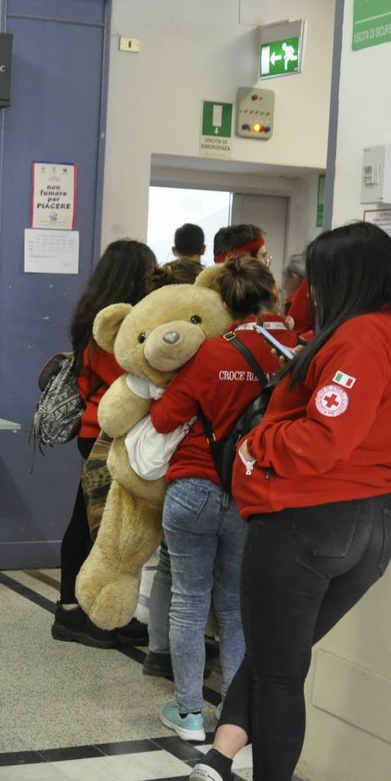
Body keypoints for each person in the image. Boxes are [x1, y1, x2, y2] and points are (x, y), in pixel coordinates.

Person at [188, 221, 391, 781]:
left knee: (278, 673)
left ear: (345, 279)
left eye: (319, 281)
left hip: (307, 521)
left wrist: (255, 443)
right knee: (280, 657)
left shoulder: (360, 338)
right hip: (371, 526)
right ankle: (221, 760)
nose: (311, 293)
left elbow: (323, 439)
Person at [147, 256, 294, 741]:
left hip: (192, 486)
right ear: (272, 294)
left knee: (189, 600)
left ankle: (188, 713)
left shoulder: (210, 352)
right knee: (234, 606)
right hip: (251, 492)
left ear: (221, 301)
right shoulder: (291, 352)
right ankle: (234, 717)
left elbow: (166, 420)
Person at [52, 239, 158, 649]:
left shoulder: (93, 318)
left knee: (93, 523)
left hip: (93, 433)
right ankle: (77, 614)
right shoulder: (120, 330)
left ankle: (85, 611)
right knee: (98, 528)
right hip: (109, 437)